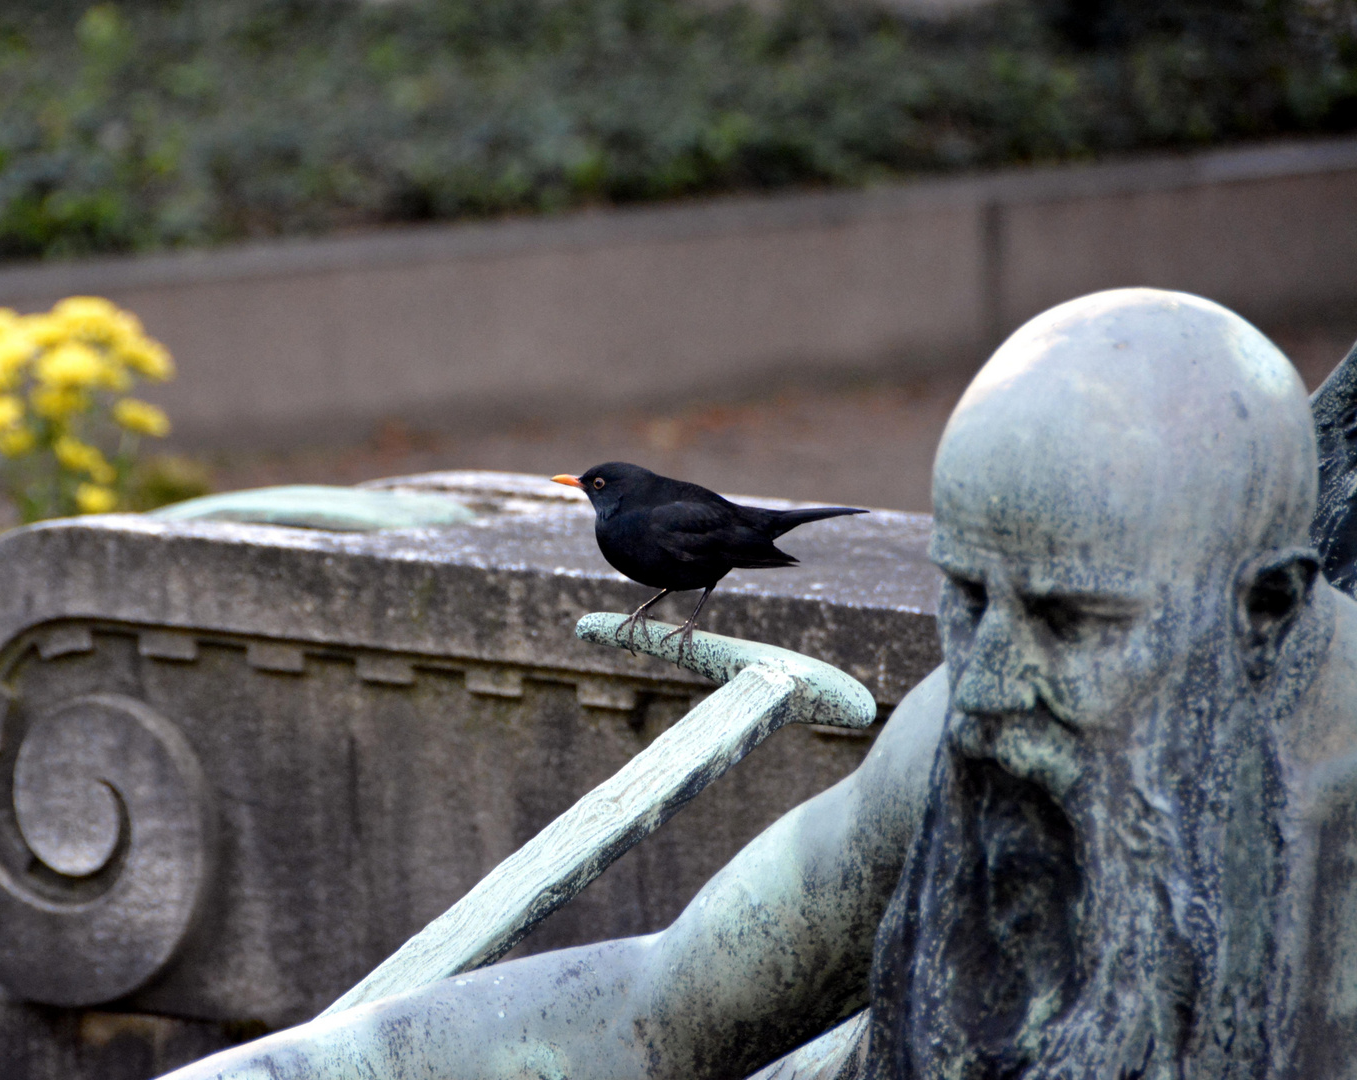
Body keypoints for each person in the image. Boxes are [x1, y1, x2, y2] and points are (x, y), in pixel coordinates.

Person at [164, 288, 1357, 1079]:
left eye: (1064, 616)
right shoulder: (960, 740)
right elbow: (655, 998)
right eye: (962, 598)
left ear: (1264, 609)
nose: (984, 684)